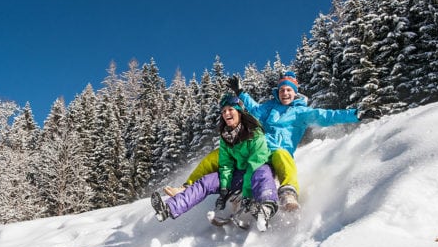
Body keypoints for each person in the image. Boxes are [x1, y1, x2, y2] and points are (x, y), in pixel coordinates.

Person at [165, 71, 382, 211]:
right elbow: (252, 108)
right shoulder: (269, 107)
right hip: (256, 149)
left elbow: (327, 116)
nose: (285, 93)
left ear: (295, 93)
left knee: (282, 156)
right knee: (217, 156)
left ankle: (287, 192)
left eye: (289, 90)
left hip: (277, 152)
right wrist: (240, 92)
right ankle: (187, 188)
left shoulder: (302, 112)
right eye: (282, 90)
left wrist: (357, 114)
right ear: (277, 92)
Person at [151, 94, 278, 230]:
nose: (226, 113)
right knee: (207, 181)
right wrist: (224, 188)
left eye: (230, 110)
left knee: (261, 172)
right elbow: (226, 165)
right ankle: (168, 208)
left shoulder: (255, 132)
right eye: (223, 111)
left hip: (259, 170)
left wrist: (246, 193)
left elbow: (256, 163)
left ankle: (266, 207)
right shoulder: (226, 137)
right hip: (240, 174)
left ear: (239, 112)